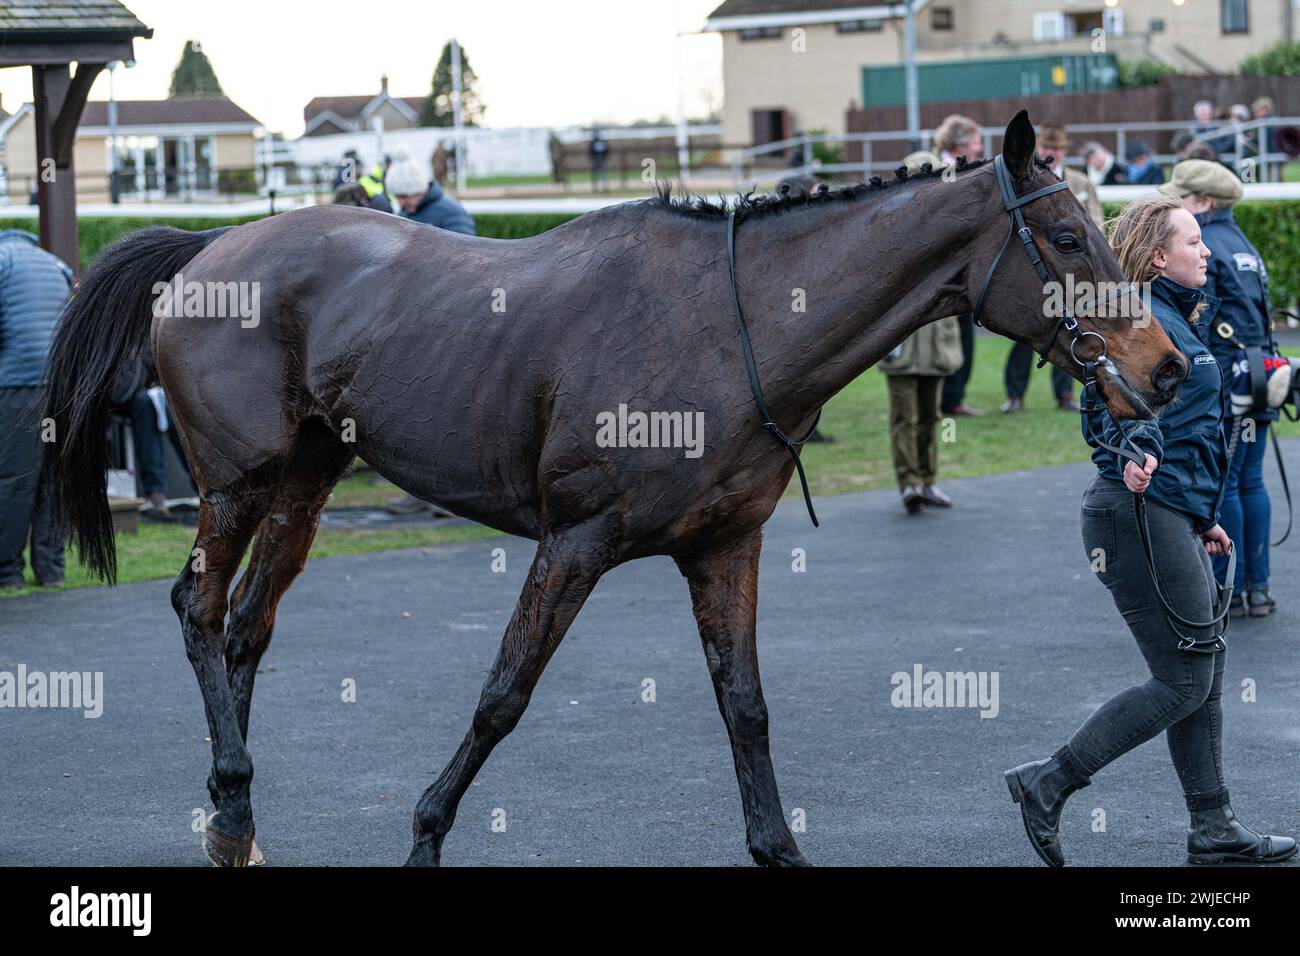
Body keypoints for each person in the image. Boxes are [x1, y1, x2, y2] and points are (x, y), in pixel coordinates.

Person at [1003, 194, 1296, 867]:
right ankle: (1050, 782)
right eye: (1193, 242)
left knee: (1202, 671)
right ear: (1159, 255)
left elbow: (1189, 428)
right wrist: (1138, 456)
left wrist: (1202, 517)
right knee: (1185, 679)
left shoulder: (1171, 318)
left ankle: (1214, 828)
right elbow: (1108, 418)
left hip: (1166, 513)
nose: (1205, 252)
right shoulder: (1136, 322)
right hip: (1132, 513)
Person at [1160, 160, 1276, 617]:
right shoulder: (1244, 242)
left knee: (1223, 486)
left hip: (1227, 381)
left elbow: (1198, 327)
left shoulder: (1205, 245)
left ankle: (1223, 589)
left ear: (1203, 202)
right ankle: (1258, 586)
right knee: (1251, 480)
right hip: (1260, 375)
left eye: (1183, 199)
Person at [384, 157, 476, 515]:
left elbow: (466, 263)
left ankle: (452, 500)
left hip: (447, 333)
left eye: (409, 196)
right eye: (400, 197)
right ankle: (421, 494)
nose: (403, 202)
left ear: (423, 189)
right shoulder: (408, 215)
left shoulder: (452, 215)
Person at [879, 151, 965, 511]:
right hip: (902, 337)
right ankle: (909, 484)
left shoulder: (949, 225)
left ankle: (928, 481)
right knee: (904, 416)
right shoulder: (891, 228)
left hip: (935, 336)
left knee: (932, 416)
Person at [1002, 123, 1101, 414]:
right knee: (1025, 336)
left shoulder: (1081, 183)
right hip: (1034, 273)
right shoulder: (1022, 180)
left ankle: (1065, 394)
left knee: (1073, 334)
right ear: (1037, 150)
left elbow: (1095, 227)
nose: (1053, 153)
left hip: (1070, 275)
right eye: (1047, 148)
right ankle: (1015, 395)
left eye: (1057, 149)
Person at [0, 229, 70, 588]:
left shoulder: (2, 260)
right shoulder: (55, 264)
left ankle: (8, 573)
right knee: (52, 480)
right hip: (60, 388)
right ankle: (52, 570)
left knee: (14, 479)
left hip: (17, 387)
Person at [933, 114, 985, 417]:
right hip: (940, 271)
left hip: (964, 271)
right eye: (976, 140)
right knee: (940, 337)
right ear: (962, 142)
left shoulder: (968, 170)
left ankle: (954, 398)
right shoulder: (933, 168)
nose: (979, 147)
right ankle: (940, 399)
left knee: (964, 336)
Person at [386, 157, 476, 235]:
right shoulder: (403, 214)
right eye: (397, 197)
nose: (400, 203)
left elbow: (464, 251)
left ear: (421, 190)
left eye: (405, 196)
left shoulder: (454, 213)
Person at [589, 128, 610, 193]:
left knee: (604, 174)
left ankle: (605, 188)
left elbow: (607, 150)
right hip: (596, 159)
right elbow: (590, 151)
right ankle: (595, 189)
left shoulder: (603, 141)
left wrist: (605, 157)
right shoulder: (593, 142)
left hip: (602, 159)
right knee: (595, 174)